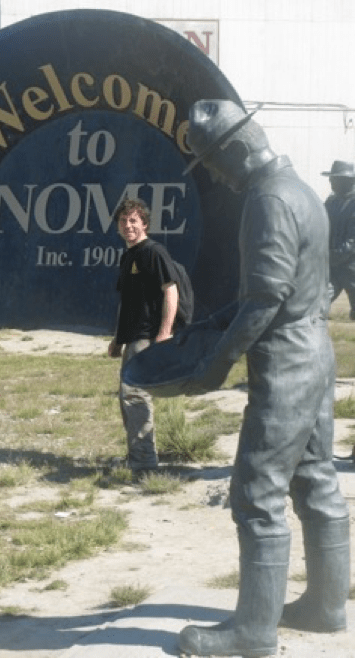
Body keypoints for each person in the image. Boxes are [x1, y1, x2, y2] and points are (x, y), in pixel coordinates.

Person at [177, 100, 350, 657]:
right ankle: (326, 606)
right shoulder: (301, 190)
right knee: (316, 481)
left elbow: (265, 299)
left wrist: (216, 363)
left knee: (257, 492)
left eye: (211, 161)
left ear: (233, 148)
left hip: (287, 364)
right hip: (315, 350)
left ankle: (253, 631)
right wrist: (215, 324)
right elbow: (284, 288)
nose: (213, 174)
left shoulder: (267, 198)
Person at [108, 198, 179, 480]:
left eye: (134, 220)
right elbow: (127, 303)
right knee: (127, 397)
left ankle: (144, 464)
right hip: (132, 338)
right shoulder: (128, 256)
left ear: (145, 224)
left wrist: (164, 333)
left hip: (148, 336)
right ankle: (137, 455)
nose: (128, 226)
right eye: (123, 221)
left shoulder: (153, 252)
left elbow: (170, 290)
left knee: (136, 396)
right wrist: (118, 339)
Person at [321, 160, 355, 319]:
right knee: (318, 304)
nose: (331, 182)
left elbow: (352, 242)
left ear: (347, 181)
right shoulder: (330, 202)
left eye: (334, 179)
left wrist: (328, 256)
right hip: (332, 267)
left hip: (351, 268)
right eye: (331, 178)